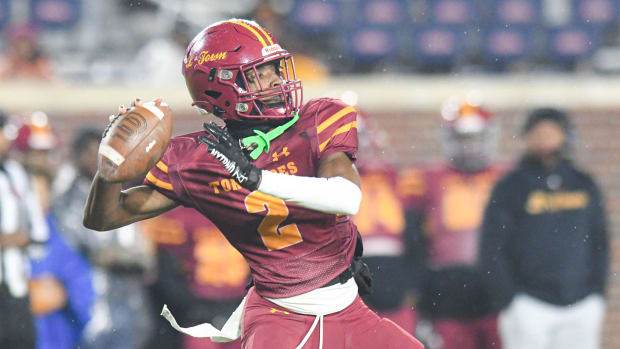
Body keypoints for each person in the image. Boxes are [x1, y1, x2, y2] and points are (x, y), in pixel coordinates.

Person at [83, 19, 423, 349]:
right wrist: (110, 170)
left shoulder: (318, 120)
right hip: (281, 316)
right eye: (261, 73)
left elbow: (346, 198)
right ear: (223, 86)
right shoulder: (196, 159)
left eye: (276, 68)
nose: (277, 79)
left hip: (349, 309)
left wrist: (257, 179)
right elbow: (103, 218)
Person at [479, 108, 609, 349]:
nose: (545, 139)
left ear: (565, 136)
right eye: (538, 132)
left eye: (552, 132)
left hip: (580, 303)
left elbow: (599, 241)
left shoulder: (583, 182)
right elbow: (492, 245)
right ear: (527, 137)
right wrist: (509, 298)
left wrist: (596, 293)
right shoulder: (511, 185)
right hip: (529, 303)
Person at [399, 101, 505, 349]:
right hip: (446, 291)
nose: (471, 147)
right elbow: (413, 239)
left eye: (478, 138)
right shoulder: (425, 177)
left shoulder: (506, 178)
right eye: (463, 139)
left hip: (496, 289)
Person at [54, 129, 154, 349]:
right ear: (76, 157)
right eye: (88, 153)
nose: (95, 159)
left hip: (130, 301)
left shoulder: (126, 191)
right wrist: (124, 257)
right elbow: (86, 250)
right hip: (91, 299)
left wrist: (129, 257)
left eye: (99, 152)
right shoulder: (68, 200)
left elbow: (146, 253)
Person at [12, 115, 95, 349]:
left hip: (60, 335)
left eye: (46, 156)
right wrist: (21, 295)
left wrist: (64, 292)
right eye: (32, 158)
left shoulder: (65, 217)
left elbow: (81, 283)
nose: (43, 163)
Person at [142, 207, 249, 349]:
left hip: (239, 312)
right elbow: (167, 265)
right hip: (200, 314)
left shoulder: (248, 211)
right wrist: (189, 306)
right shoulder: (182, 216)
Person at [352, 115, 417, 335]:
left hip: (392, 272)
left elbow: (415, 233)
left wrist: (413, 281)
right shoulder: (323, 180)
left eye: (358, 139)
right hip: (349, 270)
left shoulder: (394, 175)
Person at [0, 109, 49, 348]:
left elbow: (38, 232)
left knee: (21, 340)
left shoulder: (17, 175)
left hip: (15, 285)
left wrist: (21, 238)